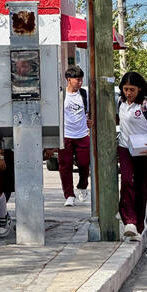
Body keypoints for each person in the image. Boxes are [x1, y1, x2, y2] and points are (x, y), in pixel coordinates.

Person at [117, 71, 147, 240]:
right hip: (125, 147)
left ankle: (138, 227)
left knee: (141, 187)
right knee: (126, 181)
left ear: (139, 89)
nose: (128, 93)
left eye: (132, 89)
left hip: (145, 151)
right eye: (125, 89)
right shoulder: (120, 103)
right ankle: (129, 220)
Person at [58, 66, 92, 206]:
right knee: (65, 166)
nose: (80, 82)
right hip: (66, 135)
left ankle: (83, 186)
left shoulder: (84, 94)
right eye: (77, 79)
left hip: (83, 134)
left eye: (81, 79)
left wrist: (91, 120)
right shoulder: (61, 95)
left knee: (84, 164)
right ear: (69, 80)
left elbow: (91, 112)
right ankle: (69, 195)